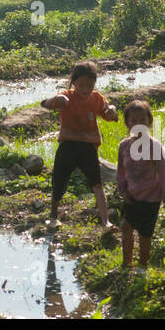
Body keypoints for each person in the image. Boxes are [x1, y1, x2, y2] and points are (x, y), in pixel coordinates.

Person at [42, 61, 118, 233]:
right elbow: (45, 104)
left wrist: (112, 110)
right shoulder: (65, 96)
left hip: (88, 146)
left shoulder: (97, 98)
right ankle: (53, 217)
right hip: (68, 145)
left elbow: (108, 113)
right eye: (81, 85)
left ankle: (105, 222)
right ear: (74, 82)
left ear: (94, 85)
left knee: (97, 184)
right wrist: (55, 99)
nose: (85, 90)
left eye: (89, 86)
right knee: (59, 181)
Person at [116, 99, 165, 270]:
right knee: (126, 227)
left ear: (150, 122)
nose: (138, 125)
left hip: (150, 198)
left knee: (145, 234)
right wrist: (122, 190)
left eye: (143, 121)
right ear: (127, 123)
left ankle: (142, 265)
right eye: (134, 121)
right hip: (132, 196)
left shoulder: (154, 146)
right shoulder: (124, 146)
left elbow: (163, 170)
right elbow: (121, 171)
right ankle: (127, 263)